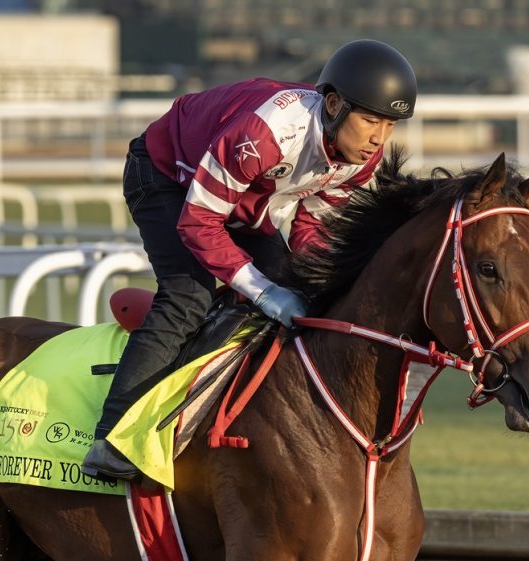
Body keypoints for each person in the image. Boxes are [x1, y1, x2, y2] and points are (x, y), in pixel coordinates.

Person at [83, 39, 418, 482]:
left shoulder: (361, 158)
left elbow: (312, 231)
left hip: (244, 197)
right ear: (334, 104)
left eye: (390, 125)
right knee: (188, 295)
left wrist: (306, 286)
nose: (379, 138)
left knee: (297, 288)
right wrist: (262, 291)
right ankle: (112, 439)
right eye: (371, 120)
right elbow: (199, 221)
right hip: (166, 175)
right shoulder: (268, 134)